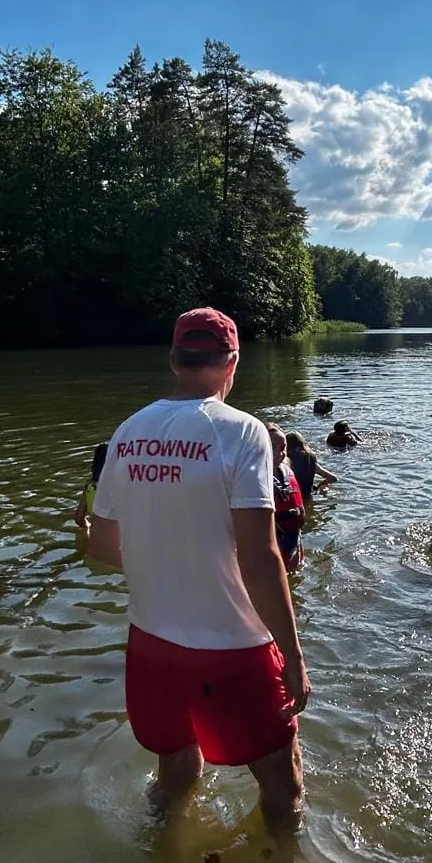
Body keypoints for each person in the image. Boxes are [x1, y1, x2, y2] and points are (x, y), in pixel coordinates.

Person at [88, 307, 311, 831]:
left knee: (176, 769)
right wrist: (294, 656)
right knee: (283, 782)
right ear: (232, 362)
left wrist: (168, 562)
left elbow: (101, 544)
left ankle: (162, 859)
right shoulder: (243, 432)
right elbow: (260, 559)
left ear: (173, 359)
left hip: (150, 645)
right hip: (233, 647)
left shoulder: (127, 432)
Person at [267, 424, 306, 573]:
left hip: (291, 544)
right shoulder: (253, 477)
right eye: (272, 447)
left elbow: (299, 512)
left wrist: (299, 545)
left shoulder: (287, 471)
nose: (279, 452)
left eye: (283, 447)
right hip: (270, 554)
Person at [286, 430, 337, 497]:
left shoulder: (285, 461)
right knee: (325, 486)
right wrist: (320, 485)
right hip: (308, 495)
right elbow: (333, 478)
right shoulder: (309, 461)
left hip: (293, 497)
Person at [73, 441, 108, 529]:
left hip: (95, 535)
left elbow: (78, 518)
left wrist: (89, 526)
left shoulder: (90, 487)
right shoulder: (120, 487)